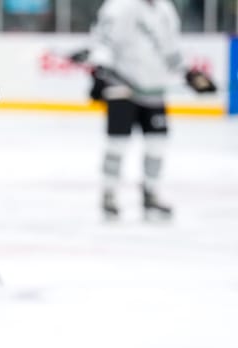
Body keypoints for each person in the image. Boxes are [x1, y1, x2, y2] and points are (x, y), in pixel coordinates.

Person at [87, 0, 216, 220]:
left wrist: (188, 73)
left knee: (157, 145)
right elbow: (103, 40)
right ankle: (109, 194)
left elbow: (171, 48)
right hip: (121, 85)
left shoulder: (165, 9)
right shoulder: (119, 6)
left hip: (154, 88)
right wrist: (100, 68)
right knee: (117, 144)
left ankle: (151, 194)